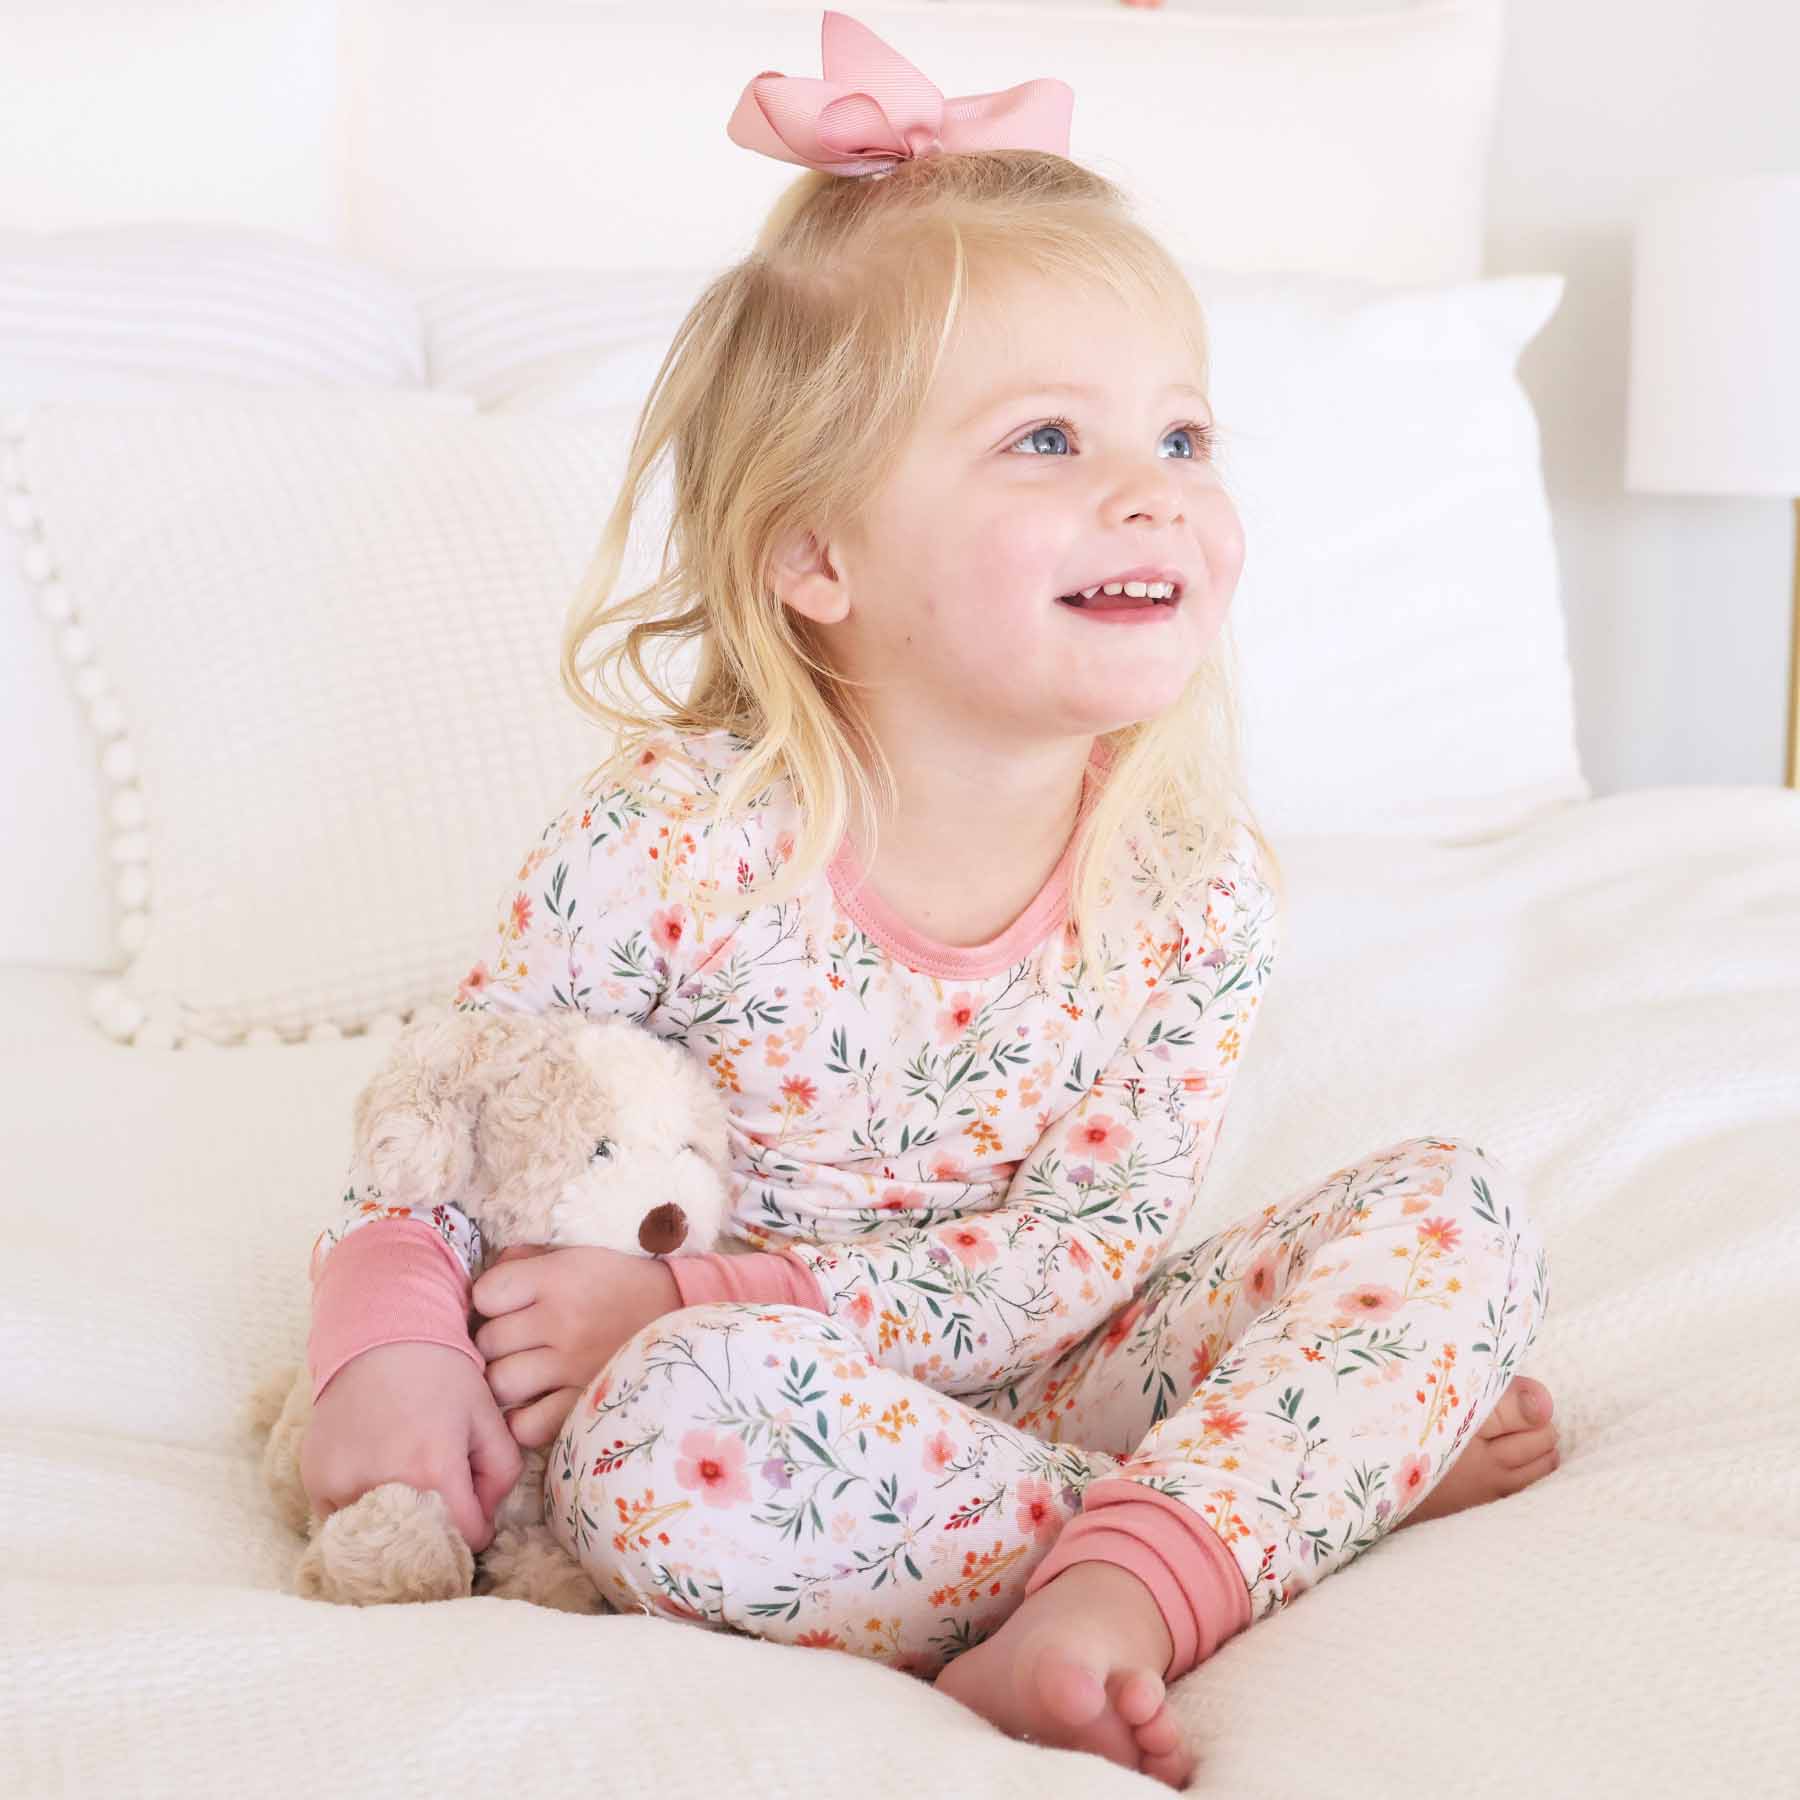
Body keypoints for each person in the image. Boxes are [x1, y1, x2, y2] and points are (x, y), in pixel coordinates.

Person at [299, 12, 1557, 1787]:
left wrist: (723, 1285)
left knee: (1454, 1212)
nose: (1152, 493)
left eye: (1184, 436)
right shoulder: (674, 838)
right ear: (818, 553)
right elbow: (454, 1114)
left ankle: (1147, 1557)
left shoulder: (1186, 885)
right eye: (1047, 439)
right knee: (664, 1443)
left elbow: (1087, 1249)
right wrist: (386, 1339)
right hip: (735, 1396)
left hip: (1051, 1365)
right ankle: (1239, 1516)